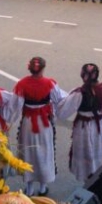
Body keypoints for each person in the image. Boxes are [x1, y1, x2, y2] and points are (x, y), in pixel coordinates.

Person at [11, 56, 67, 196]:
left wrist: (9, 120)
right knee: (44, 152)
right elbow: (59, 100)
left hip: (28, 123)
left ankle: (29, 189)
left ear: (29, 68)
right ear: (43, 69)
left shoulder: (21, 84)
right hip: (44, 123)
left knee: (28, 152)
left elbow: (15, 105)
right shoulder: (50, 84)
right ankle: (42, 187)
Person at [57, 63, 102, 182]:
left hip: (85, 128)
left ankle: (88, 180)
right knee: (98, 150)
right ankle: (99, 177)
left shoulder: (79, 93)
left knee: (86, 152)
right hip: (100, 125)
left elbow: (62, 113)